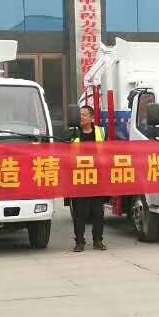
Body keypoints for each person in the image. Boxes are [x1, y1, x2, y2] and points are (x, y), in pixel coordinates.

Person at [70, 104, 107, 252]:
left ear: (92, 118)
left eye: (84, 114)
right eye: (80, 114)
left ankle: (98, 241)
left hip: (97, 177)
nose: (81, 117)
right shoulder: (72, 133)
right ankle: (79, 242)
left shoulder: (102, 132)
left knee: (98, 212)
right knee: (80, 212)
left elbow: (110, 151)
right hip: (79, 178)